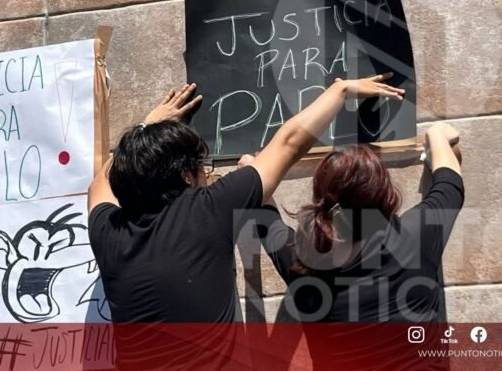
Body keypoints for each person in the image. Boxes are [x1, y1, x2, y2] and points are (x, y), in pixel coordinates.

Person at [87, 75, 403, 368]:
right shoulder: (206, 210)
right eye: (201, 166)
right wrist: (340, 90)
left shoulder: (107, 232)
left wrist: (147, 128)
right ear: (185, 175)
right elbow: (290, 142)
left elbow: (98, 186)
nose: (207, 173)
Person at [244, 122, 463, 369]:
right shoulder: (415, 235)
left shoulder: (302, 263)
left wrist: (251, 170)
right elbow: (450, 184)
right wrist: (437, 135)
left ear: (322, 200)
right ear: (384, 193)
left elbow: (266, 217)